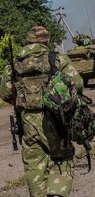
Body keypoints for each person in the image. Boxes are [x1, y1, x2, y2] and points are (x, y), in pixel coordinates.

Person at [0, 26, 83, 196]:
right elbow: (78, 83)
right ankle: (56, 192)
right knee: (63, 158)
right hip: (54, 120)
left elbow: (5, 93)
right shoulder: (57, 59)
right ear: (47, 40)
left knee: (34, 164)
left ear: (29, 40)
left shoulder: (14, 63)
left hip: (28, 123)